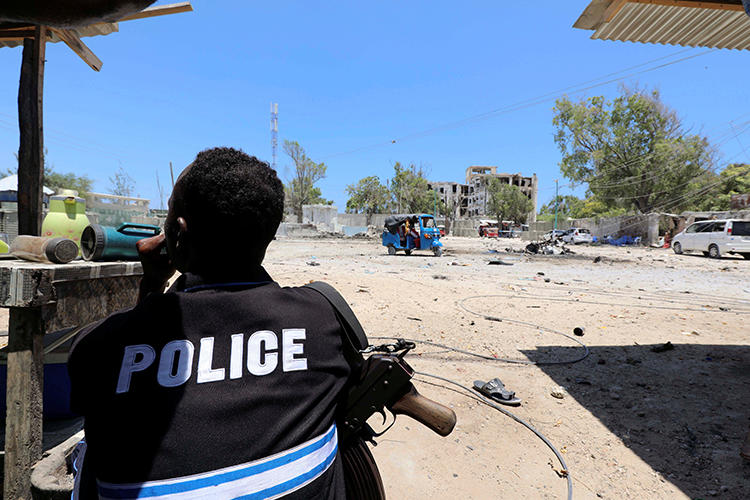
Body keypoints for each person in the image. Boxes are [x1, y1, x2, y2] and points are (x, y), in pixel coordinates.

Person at [68, 147, 351, 499]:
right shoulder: (320, 318)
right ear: (268, 234)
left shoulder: (99, 347)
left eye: (170, 215)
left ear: (179, 233)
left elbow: (119, 378)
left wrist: (152, 285)